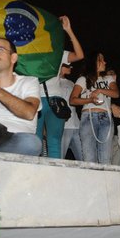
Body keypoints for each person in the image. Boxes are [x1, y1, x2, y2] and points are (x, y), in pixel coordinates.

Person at [0, 38, 42, 156]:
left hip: (14, 142)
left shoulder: (29, 82)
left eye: (0, 49)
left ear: (13, 58)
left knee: (32, 143)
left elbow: (28, 113)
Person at [36, 16, 84, 157]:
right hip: (35, 99)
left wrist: (68, 30)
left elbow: (79, 55)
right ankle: (35, 176)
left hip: (55, 101)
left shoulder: (59, 53)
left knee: (54, 141)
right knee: (36, 140)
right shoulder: (30, 52)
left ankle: (54, 177)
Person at [70, 52, 119, 164]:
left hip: (106, 117)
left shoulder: (109, 78)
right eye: (101, 60)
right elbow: (72, 99)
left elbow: (116, 93)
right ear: (94, 62)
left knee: (105, 158)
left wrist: (100, 90)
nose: (105, 62)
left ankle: (104, 181)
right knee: (89, 158)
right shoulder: (83, 79)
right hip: (88, 117)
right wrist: (90, 100)